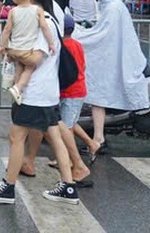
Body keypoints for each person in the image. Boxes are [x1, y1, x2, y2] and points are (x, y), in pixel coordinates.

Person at [0, 0, 80, 205]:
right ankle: (69, 186)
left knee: (16, 137)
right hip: (46, 92)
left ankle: (8, 186)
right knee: (54, 136)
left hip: (35, 93)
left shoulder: (43, 22)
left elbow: (35, 58)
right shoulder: (47, 20)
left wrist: (12, 52)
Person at [73, 0, 149, 157]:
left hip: (114, 58)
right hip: (115, 56)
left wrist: (79, 36)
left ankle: (99, 139)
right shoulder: (112, 5)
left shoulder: (113, 8)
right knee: (98, 97)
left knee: (98, 94)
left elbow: (103, 35)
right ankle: (99, 137)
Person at [20, 14, 95, 186]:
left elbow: (37, 58)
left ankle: (75, 167)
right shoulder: (54, 21)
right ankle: (32, 163)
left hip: (52, 90)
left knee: (56, 125)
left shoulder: (46, 20)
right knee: (49, 125)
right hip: (56, 90)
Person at [0, 0, 57, 105]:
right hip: (27, 50)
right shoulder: (38, 10)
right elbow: (44, 27)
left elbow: (7, 30)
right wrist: (51, 43)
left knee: (20, 65)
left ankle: (16, 89)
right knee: (29, 67)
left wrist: (2, 46)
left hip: (13, 49)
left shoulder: (13, 12)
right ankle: (19, 88)